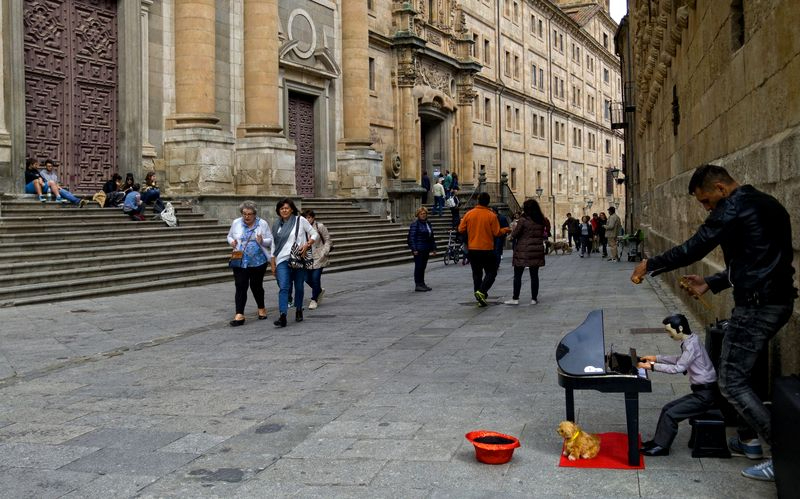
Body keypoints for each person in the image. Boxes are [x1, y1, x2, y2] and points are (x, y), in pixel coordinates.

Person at [630, 164, 797, 481]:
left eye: (707, 201)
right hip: (778, 301)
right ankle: (748, 441)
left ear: (721, 188)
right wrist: (713, 282)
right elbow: (759, 261)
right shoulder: (768, 204)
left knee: (731, 382)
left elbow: (695, 246)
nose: (707, 208)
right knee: (739, 375)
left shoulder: (733, 206)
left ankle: (786, 456)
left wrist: (651, 263)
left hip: (757, 307)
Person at [636, 314, 717, 456]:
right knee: (667, 408)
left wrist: (652, 367)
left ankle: (662, 447)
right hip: (701, 392)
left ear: (680, 328)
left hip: (705, 396)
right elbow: (680, 360)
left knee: (671, 414)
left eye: (669, 331)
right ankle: (658, 441)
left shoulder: (691, 345)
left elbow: (678, 368)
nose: (669, 334)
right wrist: (656, 358)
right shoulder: (691, 341)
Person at [271, 198, 318, 327]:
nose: (284, 210)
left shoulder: (300, 220)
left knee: (299, 287)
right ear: (278, 211)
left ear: (291, 209)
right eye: (281, 208)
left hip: (298, 258)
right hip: (282, 260)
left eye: (286, 208)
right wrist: (272, 262)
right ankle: (283, 315)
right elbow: (273, 245)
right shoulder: (276, 225)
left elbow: (314, 234)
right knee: (284, 287)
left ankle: (298, 309)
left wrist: (307, 244)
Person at [226, 201, 275, 327]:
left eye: (249, 214)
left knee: (256, 286)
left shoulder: (262, 223)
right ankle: (239, 314)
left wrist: (262, 240)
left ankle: (261, 308)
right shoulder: (236, 222)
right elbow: (230, 236)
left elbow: (270, 241)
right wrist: (232, 242)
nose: (246, 216)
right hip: (240, 261)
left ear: (255, 214)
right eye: (244, 214)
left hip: (258, 262)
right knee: (240, 286)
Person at [458, 192, 511, 307]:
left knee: (476, 274)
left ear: (478, 201)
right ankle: (482, 291)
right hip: (487, 249)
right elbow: (496, 232)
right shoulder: (491, 215)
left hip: (473, 249)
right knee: (492, 272)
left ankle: (479, 296)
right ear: (488, 202)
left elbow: (461, 229)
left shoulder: (469, 214)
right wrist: (506, 229)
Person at [504, 198, 547, 305]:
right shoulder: (541, 220)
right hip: (536, 250)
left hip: (523, 250)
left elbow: (515, 234)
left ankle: (515, 298)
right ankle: (533, 299)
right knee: (534, 275)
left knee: (518, 275)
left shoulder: (523, 220)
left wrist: (510, 236)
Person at [302, 209, 332, 310]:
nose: (307, 219)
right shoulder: (301, 228)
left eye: (309, 217)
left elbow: (327, 240)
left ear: (313, 218)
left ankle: (314, 299)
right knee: (306, 278)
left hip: (319, 256)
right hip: (306, 257)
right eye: (305, 218)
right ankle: (318, 290)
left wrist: (325, 252)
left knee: (315, 278)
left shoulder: (320, 227)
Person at [407, 206, 437, 292]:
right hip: (419, 249)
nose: (423, 215)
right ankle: (418, 284)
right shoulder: (415, 224)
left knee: (423, 267)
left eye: (425, 214)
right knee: (419, 267)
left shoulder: (428, 223)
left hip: (426, 248)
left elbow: (431, 237)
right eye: (421, 214)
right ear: (418, 215)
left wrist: (434, 248)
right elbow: (411, 238)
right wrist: (414, 249)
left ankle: (422, 283)